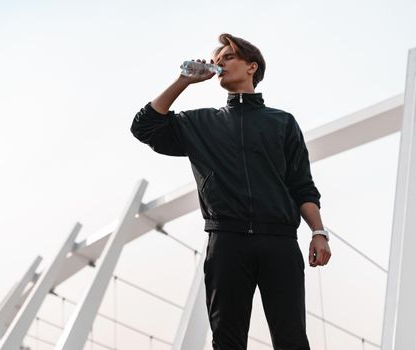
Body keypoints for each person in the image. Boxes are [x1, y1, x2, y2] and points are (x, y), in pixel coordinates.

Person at [130, 33, 331, 350]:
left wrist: (318, 231)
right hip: (227, 243)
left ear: (252, 67)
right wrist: (183, 81)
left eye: (228, 57)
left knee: (292, 339)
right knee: (227, 341)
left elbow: (302, 185)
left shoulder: (283, 123)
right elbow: (144, 127)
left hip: (279, 242)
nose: (220, 63)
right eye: (217, 58)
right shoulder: (200, 124)